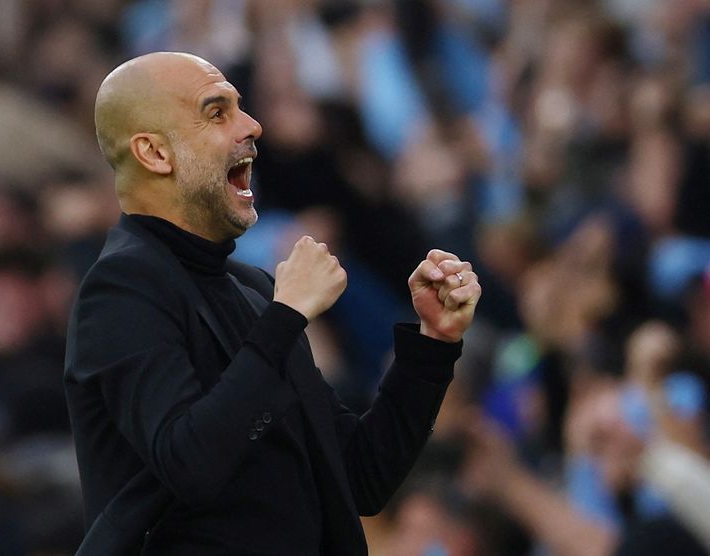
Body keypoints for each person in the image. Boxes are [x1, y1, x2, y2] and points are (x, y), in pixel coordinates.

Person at [64, 52, 481, 555]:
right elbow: (190, 464)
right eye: (217, 112)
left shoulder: (253, 289)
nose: (253, 125)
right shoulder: (122, 288)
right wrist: (286, 317)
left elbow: (360, 477)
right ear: (155, 153)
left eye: (242, 107)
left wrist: (433, 343)